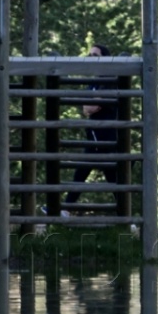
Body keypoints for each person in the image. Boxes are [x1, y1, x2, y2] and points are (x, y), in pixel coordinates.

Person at [64, 44, 123, 214]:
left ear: (106, 58)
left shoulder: (110, 80)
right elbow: (86, 108)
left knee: (99, 173)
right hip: (95, 136)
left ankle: (65, 208)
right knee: (106, 175)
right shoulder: (94, 81)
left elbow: (93, 105)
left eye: (95, 55)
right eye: (89, 55)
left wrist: (91, 104)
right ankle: (127, 215)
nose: (91, 58)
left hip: (105, 136)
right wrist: (91, 104)